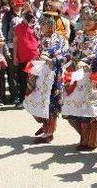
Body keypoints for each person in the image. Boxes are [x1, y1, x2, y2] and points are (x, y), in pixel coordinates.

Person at [62, 6, 97, 151]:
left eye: (90, 19)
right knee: (72, 111)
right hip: (77, 76)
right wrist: (61, 59)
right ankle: (84, 137)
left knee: (91, 111)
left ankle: (91, 140)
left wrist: (86, 61)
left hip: (92, 77)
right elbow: (70, 51)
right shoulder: (80, 35)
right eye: (84, 19)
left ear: (96, 20)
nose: (87, 22)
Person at [25, 12, 69, 144]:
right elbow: (31, 24)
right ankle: (45, 125)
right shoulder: (42, 36)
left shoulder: (59, 38)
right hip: (39, 71)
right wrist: (29, 10)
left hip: (53, 74)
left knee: (50, 102)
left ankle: (48, 132)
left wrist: (50, 57)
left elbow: (64, 55)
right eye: (41, 23)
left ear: (50, 25)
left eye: (44, 23)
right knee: (32, 97)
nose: (41, 26)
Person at [13, 7, 39, 108]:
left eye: (30, 16)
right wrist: (15, 57)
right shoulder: (17, 27)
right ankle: (23, 99)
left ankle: (34, 100)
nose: (28, 18)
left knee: (34, 79)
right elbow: (15, 43)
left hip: (33, 57)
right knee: (23, 79)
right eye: (26, 16)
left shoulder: (35, 27)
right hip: (22, 57)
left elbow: (39, 39)